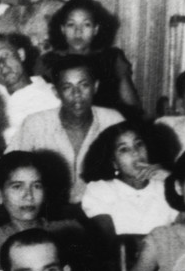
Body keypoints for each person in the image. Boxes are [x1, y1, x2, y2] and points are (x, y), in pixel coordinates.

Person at [8, 54, 127, 203]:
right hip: (48, 212)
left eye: (83, 85)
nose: (76, 94)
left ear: (95, 87)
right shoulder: (35, 125)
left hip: (101, 211)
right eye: (67, 87)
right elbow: (7, 170)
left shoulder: (113, 121)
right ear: (56, 92)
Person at [79, 120, 177, 241]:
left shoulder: (165, 186)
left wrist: (171, 179)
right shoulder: (99, 190)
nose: (135, 152)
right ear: (114, 162)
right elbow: (109, 241)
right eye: (124, 149)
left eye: (139, 144)